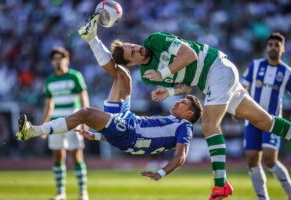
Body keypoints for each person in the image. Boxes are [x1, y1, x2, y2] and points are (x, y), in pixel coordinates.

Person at [77, 14, 291, 200]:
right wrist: (169, 91)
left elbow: (190, 55)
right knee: (264, 121)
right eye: (132, 54)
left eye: (133, 46)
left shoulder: (154, 40)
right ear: (132, 64)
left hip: (216, 67)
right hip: (211, 80)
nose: (137, 49)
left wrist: (163, 74)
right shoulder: (146, 75)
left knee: (209, 125)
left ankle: (220, 185)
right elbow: (187, 84)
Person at [16, 49, 203, 182]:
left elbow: (181, 156)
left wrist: (161, 173)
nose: (178, 101)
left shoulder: (184, 126)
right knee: (122, 76)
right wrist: (97, 136)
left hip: (130, 131)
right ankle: (93, 38)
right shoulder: (173, 121)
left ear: (189, 113)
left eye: (183, 103)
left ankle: (33, 131)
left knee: (85, 113)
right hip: (128, 128)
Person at [241, 33, 291, 200]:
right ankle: (263, 198)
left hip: (272, 122)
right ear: (266, 47)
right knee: (252, 160)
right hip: (251, 119)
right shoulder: (255, 65)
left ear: (282, 49)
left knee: (270, 160)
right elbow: (243, 87)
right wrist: (239, 108)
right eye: (270, 44)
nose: (273, 47)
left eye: (277, 45)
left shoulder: (286, 72)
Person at [42, 47, 90, 200]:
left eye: (60, 58)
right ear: (51, 62)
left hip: (73, 121)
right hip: (55, 123)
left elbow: (84, 98)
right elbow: (48, 105)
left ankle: (83, 192)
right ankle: (61, 193)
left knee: (76, 156)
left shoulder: (75, 76)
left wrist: (85, 120)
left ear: (66, 59)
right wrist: (44, 126)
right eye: (55, 58)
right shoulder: (49, 80)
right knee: (57, 157)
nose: (58, 61)